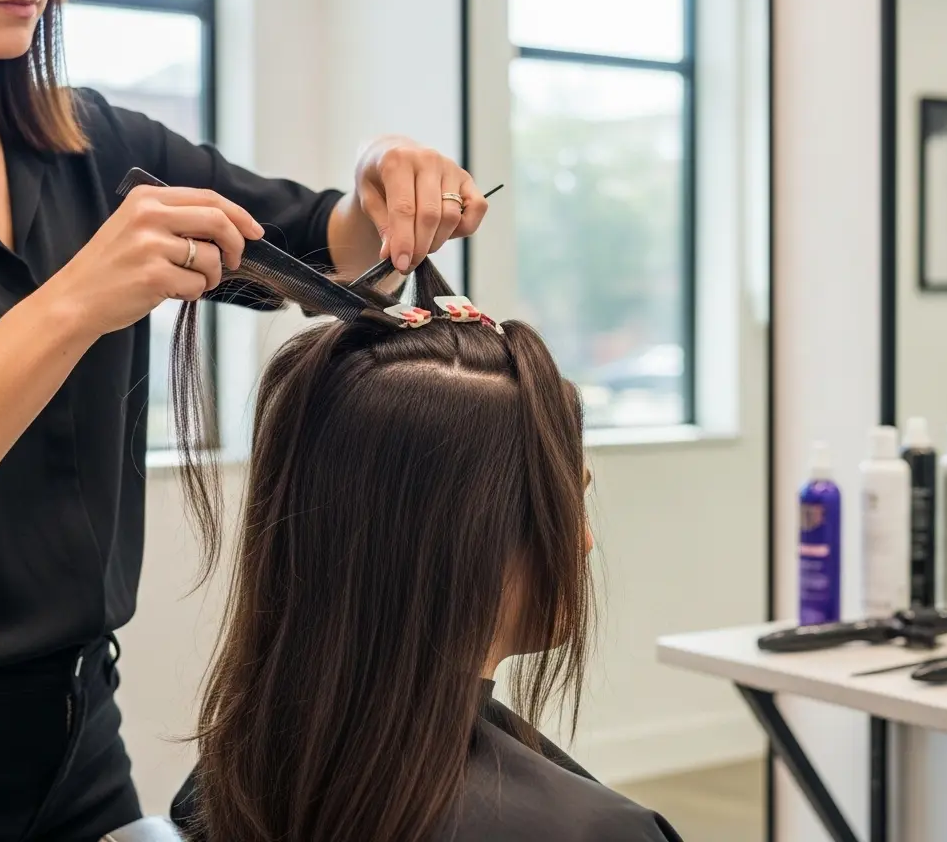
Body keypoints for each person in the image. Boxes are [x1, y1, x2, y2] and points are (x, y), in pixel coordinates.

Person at [0, 0, 487, 841]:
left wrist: (380, 173)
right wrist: (71, 306)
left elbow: (316, 250)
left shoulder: (99, 146)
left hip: (80, 739)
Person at [167, 260, 683, 842]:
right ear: (467, 535)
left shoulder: (236, 771)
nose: (584, 540)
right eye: (567, 505)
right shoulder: (593, 832)